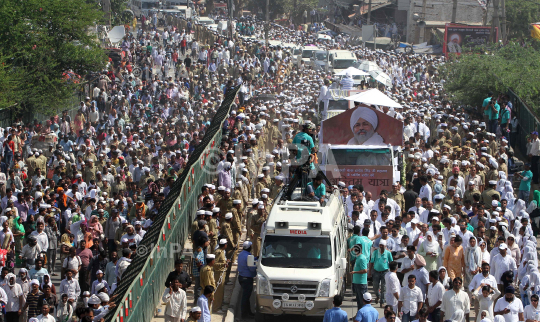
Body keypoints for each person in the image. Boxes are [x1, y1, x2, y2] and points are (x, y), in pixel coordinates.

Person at [370, 239, 393, 307]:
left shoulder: (388, 253)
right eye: (380, 245)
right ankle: (378, 295)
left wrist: (392, 272)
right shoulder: (375, 252)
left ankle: (382, 302)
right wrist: (369, 272)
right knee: (375, 286)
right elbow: (371, 262)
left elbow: (391, 262)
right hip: (376, 272)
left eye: (382, 245)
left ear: (385, 246)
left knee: (383, 287)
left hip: (385, 272)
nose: (381, 246)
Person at [237, 241, 256, 318]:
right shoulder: (249, 256)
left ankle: (249, 312)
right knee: (245, 297)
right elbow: (251, 269)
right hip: (247, 279)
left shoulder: (241, 254)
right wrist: (256, 266)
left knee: (247, 296)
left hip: (241, 277)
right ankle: (244, 315)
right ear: (249, 248)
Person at [351, 244, 369, 310]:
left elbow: (365, 270)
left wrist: (355, 272)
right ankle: (358, 315)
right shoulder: (358, 257)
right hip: (357, 282)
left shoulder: (362, 258)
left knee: (362, 302)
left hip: (361, 283)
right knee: (359, 302)